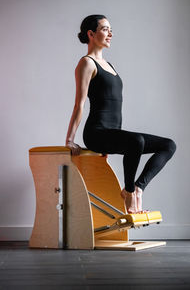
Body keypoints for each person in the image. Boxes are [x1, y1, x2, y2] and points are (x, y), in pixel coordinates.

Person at [65, 14, 176, 214]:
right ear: (91, 34)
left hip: (113, 133)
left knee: (168, 145)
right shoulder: (87, 63)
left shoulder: (110, 65)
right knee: (136, 141)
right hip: (96, 133)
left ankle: (137, 187)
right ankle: (129, 192)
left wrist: (115, 140)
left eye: (110, 29)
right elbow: (78, 104)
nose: (111, 34)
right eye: (105, 29)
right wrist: (70, 139)